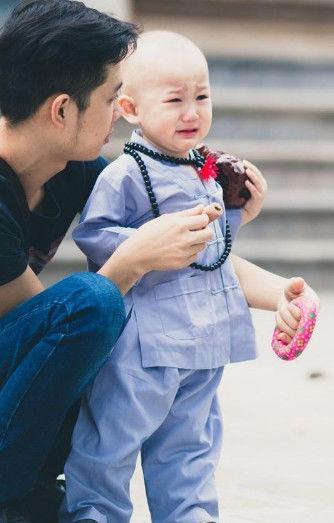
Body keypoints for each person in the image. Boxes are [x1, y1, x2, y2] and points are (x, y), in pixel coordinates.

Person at [60, 31, 319, 523]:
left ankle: (189, 513)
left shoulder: (207, 170)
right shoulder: (125, 174)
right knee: (110, 440)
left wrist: (241, 210)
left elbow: (212, 254)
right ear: (131, 109)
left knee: (191, 446)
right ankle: (95, 512)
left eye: (202, 97)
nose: (192, 112)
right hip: (142, 345)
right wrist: (146, 244)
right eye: (175, 100)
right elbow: (95, 236)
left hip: (202, 341)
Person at [0, 3, 233, 522]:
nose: (121, 112)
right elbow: (54, 332)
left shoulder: (75, 168)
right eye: (111, 98)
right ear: (61, 110)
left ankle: (36, 490)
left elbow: (182, 255)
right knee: (94, 303)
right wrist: (128, 264)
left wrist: (269, 276)